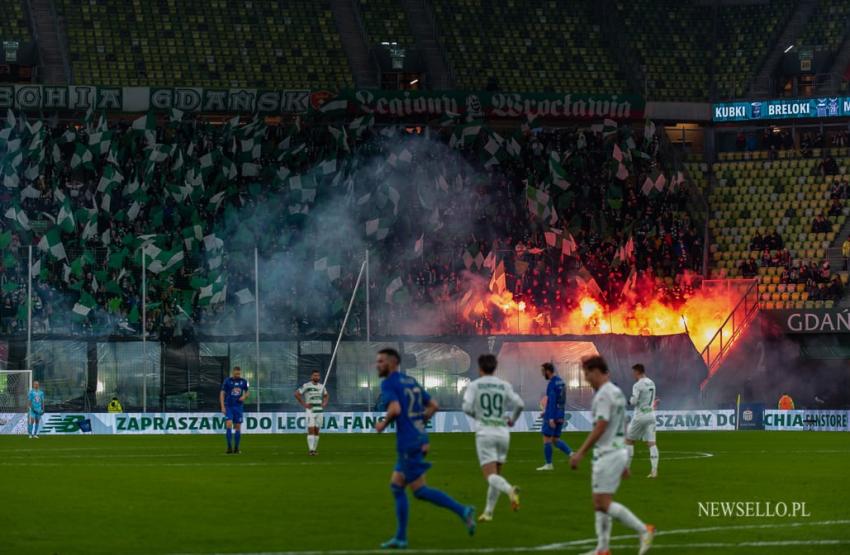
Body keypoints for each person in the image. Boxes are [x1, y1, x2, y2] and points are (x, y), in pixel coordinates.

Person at [374, 348, 476, 549]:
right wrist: (420, 423)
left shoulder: (389, 383)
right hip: (419, 438)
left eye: (381, 361)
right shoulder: (410, 381)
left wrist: (382, 424)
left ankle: (463, 511)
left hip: (408, 443)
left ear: (393, 363)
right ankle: (401, 536)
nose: (378, 364)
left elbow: (395, 409)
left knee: (419, 490)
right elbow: (434, 405)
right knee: (397, 485)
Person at [570, 356, 654, 555]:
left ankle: (644, 530)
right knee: (599, 502)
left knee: (602, 502)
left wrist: (580, 453)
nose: (586, 377)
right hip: (616, 452)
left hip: (608, 453)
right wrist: (624, 459)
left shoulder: (603, 395)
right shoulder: (616, 393)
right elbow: (623, 424)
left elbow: (601, 426)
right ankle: (603, 548)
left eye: (587, 373)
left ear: (596, 371)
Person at [462, 354, 524, 522]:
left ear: (480, 368)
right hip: (503, 433)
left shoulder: (475, 386)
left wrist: (479, 416)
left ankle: (510, 490)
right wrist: (512, 420)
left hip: (485, 433)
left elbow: (466, 407)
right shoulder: (504, 385)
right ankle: (488, 512)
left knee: (490, 475)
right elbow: (520, 404)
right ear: (495, 368)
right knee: (496, 475)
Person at [625, 364, 659, 478]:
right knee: (651, 443)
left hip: (640, 416)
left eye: (633, 372)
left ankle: (626, 469)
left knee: (629, 441)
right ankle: (654, 471)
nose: (633, 375)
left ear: (637, 372)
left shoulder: (637, 385)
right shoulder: (652, 382)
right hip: (651, 414)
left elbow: (634, 401)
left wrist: (628, 401)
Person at [537, 362, 572, 471]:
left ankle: (549, 464)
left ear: (548, 371)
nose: (543, 374)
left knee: (546, 439)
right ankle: (571, 454)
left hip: (552, 415)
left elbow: (552, 401)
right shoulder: (561, 381)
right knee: (555, 439)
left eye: (543, 372)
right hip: (560, 413)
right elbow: (561, 400)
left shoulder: (552, 384)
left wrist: (550, 417)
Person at [295, 370, 329, 456]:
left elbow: (326, 396)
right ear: (311, 377)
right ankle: (310, 450)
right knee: (311, 430)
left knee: (317, 431)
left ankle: (314, 449)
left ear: (319, 377)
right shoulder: (306, 385)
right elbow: (297, 394)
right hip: (310, 411)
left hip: (319, 411)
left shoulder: (322, 386)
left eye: (317, 376)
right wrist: (304, 404)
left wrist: (325, 403)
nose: (316, 377)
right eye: (314, 375)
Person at [220, 366, 249, 454]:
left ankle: (236, 448)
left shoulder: (244, 381)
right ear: (233, 373)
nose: (238, 375)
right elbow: (222, 393)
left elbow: (247, 391)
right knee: (228, 424)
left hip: (238, 407)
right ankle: (229, 447)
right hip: (229, 406)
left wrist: (244, 396)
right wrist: (222, 407)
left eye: (239, 373)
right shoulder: (227, 381)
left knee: (237, 427)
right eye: (236, 373)